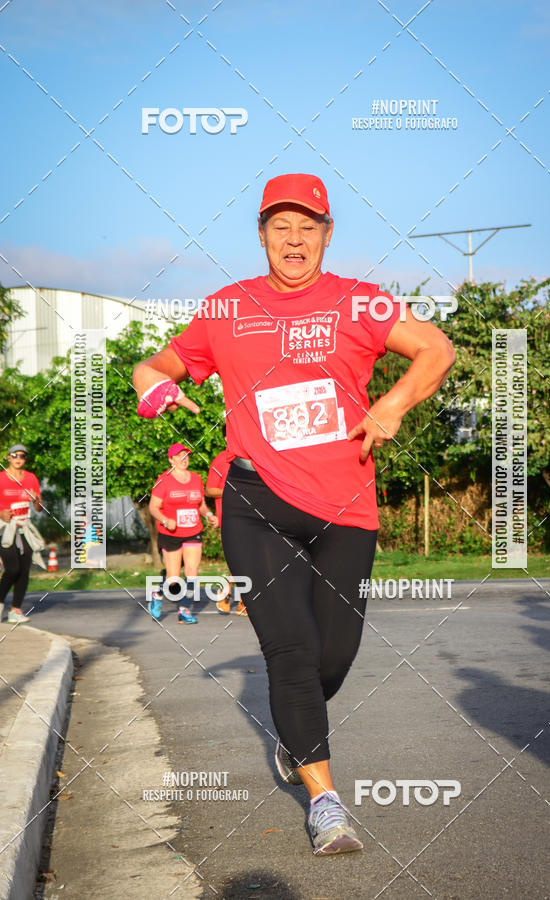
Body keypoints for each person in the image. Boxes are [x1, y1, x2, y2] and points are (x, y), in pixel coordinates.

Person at [133, 173, 455, 854]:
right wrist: (156, 387)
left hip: (345, 504)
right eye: (280, 225)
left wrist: (392, 405)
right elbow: (155, 364)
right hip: (255, 501)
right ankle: (326, 803)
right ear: (262, 236)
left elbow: (437, 349)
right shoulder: (226, 308)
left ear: (327, 234)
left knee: (334, 654)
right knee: (292, 649)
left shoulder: (358, 303)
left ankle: (294, 733)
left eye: (308, 225)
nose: (294, 237)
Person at [148, 443, 218, 623]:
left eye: (186, 455)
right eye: (179, 456)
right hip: (170, 532)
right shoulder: (163, 480)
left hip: (193, 530)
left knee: (192, 572)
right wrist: (165, 520)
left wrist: (209, 515)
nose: (184, 459)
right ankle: (157, 594)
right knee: (173, 580)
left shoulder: (196, 478)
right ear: (171, 460)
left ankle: (184, 610)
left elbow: (200, 504)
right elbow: (153, 507)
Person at [0, 444, 45, 624]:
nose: (19, 458)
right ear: (8, 458)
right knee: (12, 568)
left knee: (24, 569)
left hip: (24, 526)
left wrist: (36, 501)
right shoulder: (1, 479)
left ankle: (15, 610)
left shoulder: (31, 478)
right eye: (15, 455)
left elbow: (39, 508)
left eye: (23, 456)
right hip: (4, 528)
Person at [205, 448, 247, 616]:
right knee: (239, 558)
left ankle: (236, 597)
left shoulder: (250, 457)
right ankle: (229, 594)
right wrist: (232, 492)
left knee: (247, 558)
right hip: (229, 518)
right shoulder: (221, 460)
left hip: (251, 516)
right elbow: (209, 490)